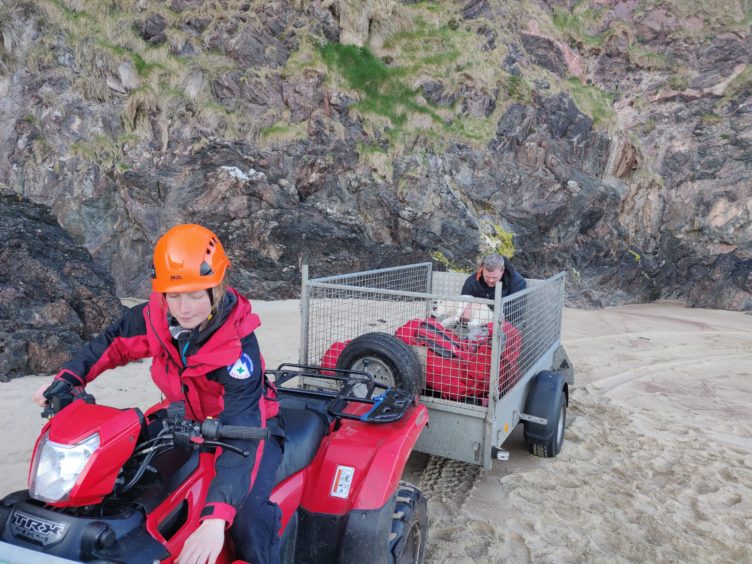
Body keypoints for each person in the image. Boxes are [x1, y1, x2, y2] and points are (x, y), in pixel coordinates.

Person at [32, 224, 282, 564]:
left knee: (249, 515)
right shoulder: (155, 317)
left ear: (217, 287)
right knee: (120, 476)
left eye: (196, 294)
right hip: (183, 419)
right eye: (175, 295)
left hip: (246, 427)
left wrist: (215, 519)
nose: (185, 307)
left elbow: (243, 428)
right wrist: (67, 379)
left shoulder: (238, 349)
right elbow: (112, 343)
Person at [460, 253, 526, 325]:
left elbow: (517, 312)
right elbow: (462, 305)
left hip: (507, 325)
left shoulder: (517, 281)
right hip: (477, 325)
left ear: (503, 270)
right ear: (482, 269)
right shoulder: (472, 281)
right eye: (487, 277)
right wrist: (463, 317)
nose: (491, 280)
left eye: (495, 277)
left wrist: (486, 306)